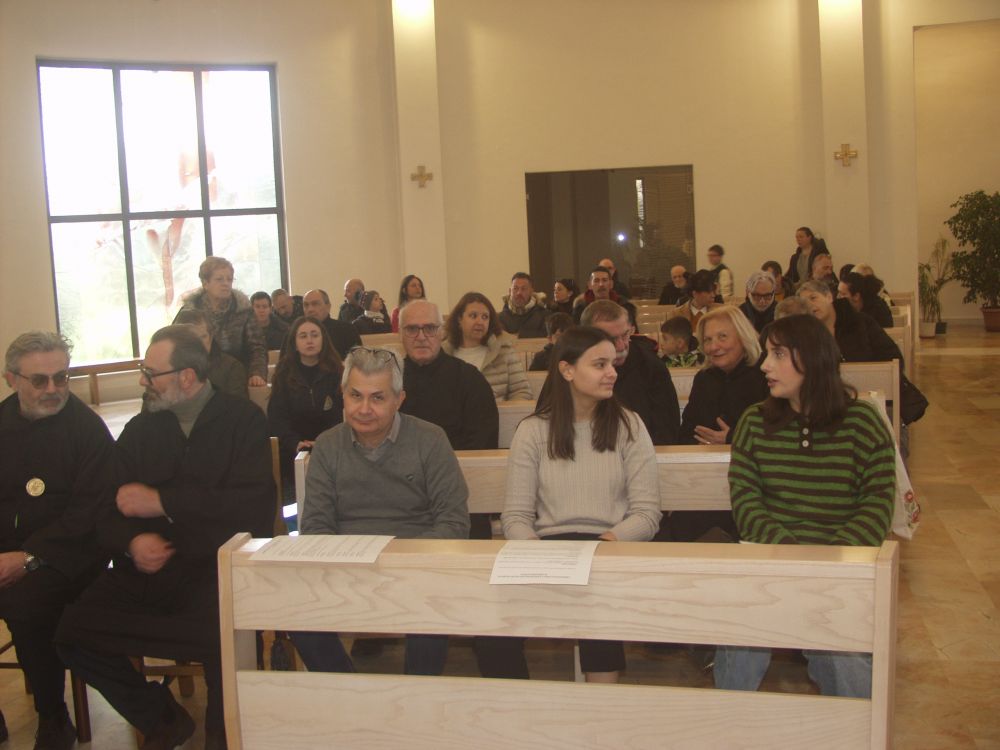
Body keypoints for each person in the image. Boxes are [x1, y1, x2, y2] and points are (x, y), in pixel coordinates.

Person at [57, 325, 274, 750]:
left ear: (187, 376)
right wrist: (131, 542)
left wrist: (163, 502)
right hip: (148, 574)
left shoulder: (243, 421)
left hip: (215, 571)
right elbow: (107, 508)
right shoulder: (142, 429)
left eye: (150, 373)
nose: (143, 381)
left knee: (224, 635)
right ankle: (162, 718)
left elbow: (251, 509)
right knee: (72, 632)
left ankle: (223, 737)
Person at [713, 314, 895, 697]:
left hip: (841, 569)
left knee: (841, 650)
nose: (765, 365)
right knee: (740, 633)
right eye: (767, 354)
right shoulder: (755, 422)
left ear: (812, 358)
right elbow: (746, 503)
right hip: (772, 563)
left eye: (778, 354)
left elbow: (877, 504)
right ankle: (729, 720)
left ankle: (855, 724)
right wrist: (792, 556)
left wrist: (827, 562)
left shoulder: (862, 422)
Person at [494, 326, 661, 682]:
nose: (612, 372)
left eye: (613, 363)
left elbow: (646, 514)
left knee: (595, 598)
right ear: (567, 370)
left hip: (608, 546)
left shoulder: (629, 426)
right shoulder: (533, 431)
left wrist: (604, 545)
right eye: (599, 364)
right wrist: (537, 554)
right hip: (546, 550)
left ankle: (600, 706)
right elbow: (517, 516)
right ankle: (518, 704)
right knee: (494, 627)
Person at [291, 347, 470, 676]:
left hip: (418, 568)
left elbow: (453, 522)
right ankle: (348, 691)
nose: (364, 409)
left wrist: (401, 562)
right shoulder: (327, 445)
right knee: (296, 612)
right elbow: (315, 526)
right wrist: (351, 566)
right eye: (355, 395)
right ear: (343, 394)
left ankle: (415, 695)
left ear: (399, 399)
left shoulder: (430, 440)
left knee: (430, 613)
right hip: (346, 569)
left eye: (377, 398)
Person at [0, 332, 114, 750]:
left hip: (69, 558)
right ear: (12, 379)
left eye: (61, 377)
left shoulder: (87, 430)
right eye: (39, 380)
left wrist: (28, 557)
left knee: (24, 603)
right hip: (7, 553)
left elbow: (89, 513)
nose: (53, 389)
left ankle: (53, 717)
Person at [398, 299, 499, 540]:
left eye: (429, 328)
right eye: (412, 329)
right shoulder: (388, 382)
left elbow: (482, 444)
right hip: (399, 495)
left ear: (441, 332)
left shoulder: (469, 379)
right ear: (400, 334)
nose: (421, 337)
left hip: (460, 489)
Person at [671, 307, 769, 542]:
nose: (714, 346)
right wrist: (701, 449)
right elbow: (687, 431)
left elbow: (776, 434)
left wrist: (731, 438)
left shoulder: (765, 375)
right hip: (704, 481)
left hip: (757, 485)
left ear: (742, 337)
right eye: (707, 340)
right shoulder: (704, 379)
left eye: (722, 337)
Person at [581, 300, 679, 445]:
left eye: (625, 334)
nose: (621, 346)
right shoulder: (573, 370)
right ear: (587, 338)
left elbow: (666, 432)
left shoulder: (651, 367)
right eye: (611, 339)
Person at [267, 317, 344, 498]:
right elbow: (277, 418)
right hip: (292, 449)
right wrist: (295, 443)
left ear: (323, 339)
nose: (310, 340)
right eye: (303, 336)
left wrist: (323, 442)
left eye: (314, 335)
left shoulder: (337, 372)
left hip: (331, 446)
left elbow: (341, 415)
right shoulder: (284, 374)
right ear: (294, 343)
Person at [177, 256, 267, 385]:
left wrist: (256, 373)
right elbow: (177, 348)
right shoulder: (190, 312)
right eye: (219, 279)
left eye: (229, 279)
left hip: (235, 376)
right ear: (205, 283)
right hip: (198, 377)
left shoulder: (243, 310)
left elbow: (257, 347)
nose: (226, 283)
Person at [443, 292, 532, 401]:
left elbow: (522, 391)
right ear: (459, 319)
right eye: (473, 316)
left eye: (485, 317)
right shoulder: (443, 354)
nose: (480, 322)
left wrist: (504, 410)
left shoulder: (504, 351)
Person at [798, 280, 902, 366]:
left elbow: (892, 357)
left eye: (813, 298)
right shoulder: (807, 335)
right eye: (804, 303)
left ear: (829, 297)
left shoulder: (860, 322)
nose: (809, 305)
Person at [174, 308, 249, 399]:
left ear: (211, 336)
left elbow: (238, 405)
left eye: (202, 337)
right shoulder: (167, 367)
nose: (198, 344)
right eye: (190, 339)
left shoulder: (232, 368)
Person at [301, 288, 362, 359]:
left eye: (315, 304)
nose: (310, 309)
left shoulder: (346, 330)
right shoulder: (299, 333)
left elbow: (359, 360)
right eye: (306, 305)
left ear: (328, 306)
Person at [498, 272, 550, 338]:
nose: (519, 293)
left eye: (523, 289)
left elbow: (548, 336)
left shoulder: (544, 316)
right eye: (515, 288)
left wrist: (519, 335)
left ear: (531, 291)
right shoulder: (500, 319)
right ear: (510, 291)